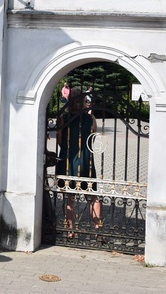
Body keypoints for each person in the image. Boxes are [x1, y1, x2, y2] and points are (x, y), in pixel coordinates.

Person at [55, 91, 102, 234]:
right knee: (93, 195)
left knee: (69, 196)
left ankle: (71, 229)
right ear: (83, 103)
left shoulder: (63, 118)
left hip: (68, 159)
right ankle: (97, 228)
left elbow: (60, 141)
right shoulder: (91, 118)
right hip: (86, 160)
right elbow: (92, 139)